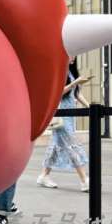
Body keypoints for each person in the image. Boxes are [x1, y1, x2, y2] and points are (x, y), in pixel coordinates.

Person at [37, 57, 91, 191]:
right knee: (72, 145)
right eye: (71, 55)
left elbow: (76, 94)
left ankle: (43, 176)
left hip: (70, 115)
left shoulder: (71, 72)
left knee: (55, 146)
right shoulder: (59, 72)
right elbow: (57, 93)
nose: (73, 58)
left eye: (75, 56)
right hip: (61, 115)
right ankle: (84, 180)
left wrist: (90, 107)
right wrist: (75, 82)